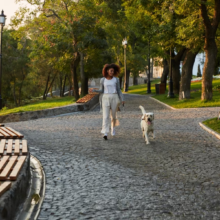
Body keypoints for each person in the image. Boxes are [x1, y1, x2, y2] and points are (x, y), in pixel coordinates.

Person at [93, 64, 125, 140]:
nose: (112, 72)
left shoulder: (116, 79)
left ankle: (113, 128)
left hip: (114, 97)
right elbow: (102, 90)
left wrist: (122, 99)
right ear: (107, 71)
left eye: (113, 71)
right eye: (111, 71)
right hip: (105, 98)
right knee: (105, 116)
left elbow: (119, 90)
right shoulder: (103, 80)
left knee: (113, 116)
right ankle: (105, 132)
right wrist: (94, 90)